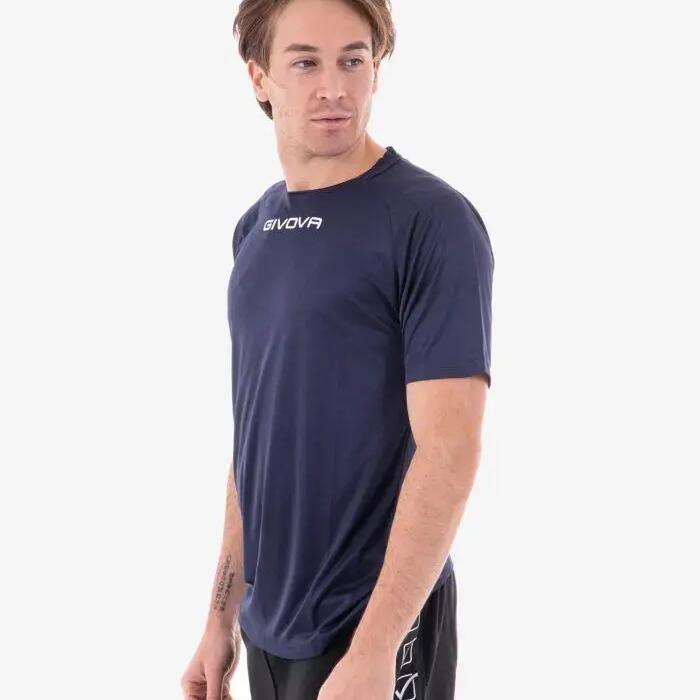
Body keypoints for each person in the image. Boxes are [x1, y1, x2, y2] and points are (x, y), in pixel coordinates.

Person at [181, 0, 494, 698]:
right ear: (259, 77)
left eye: (354, 60)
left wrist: (378, 646)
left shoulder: (429, 221)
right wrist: (220, 616)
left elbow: (451, 449)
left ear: (376, 68)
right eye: (306, 63)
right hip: (269, 629)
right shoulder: (254, 230)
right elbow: (256, 437)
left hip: (372, 628)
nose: (335, 87)